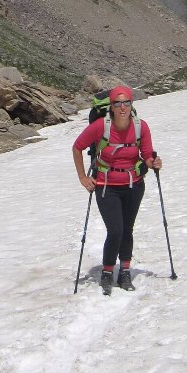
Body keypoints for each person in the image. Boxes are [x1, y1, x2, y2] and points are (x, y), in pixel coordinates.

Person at [72, 85, 162, 294]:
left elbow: (146, 155)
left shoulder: (141, 127)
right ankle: (107, 271)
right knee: (116, 230)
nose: (122, 107)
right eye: (117, 103)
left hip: (134, 185)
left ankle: (124, 272)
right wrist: (83, 178)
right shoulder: (100, 127)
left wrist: (152, 162)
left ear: (131, 105)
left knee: (127, 229)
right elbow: (77, 147)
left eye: (126, 103)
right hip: (106, 186)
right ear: (111, 107)